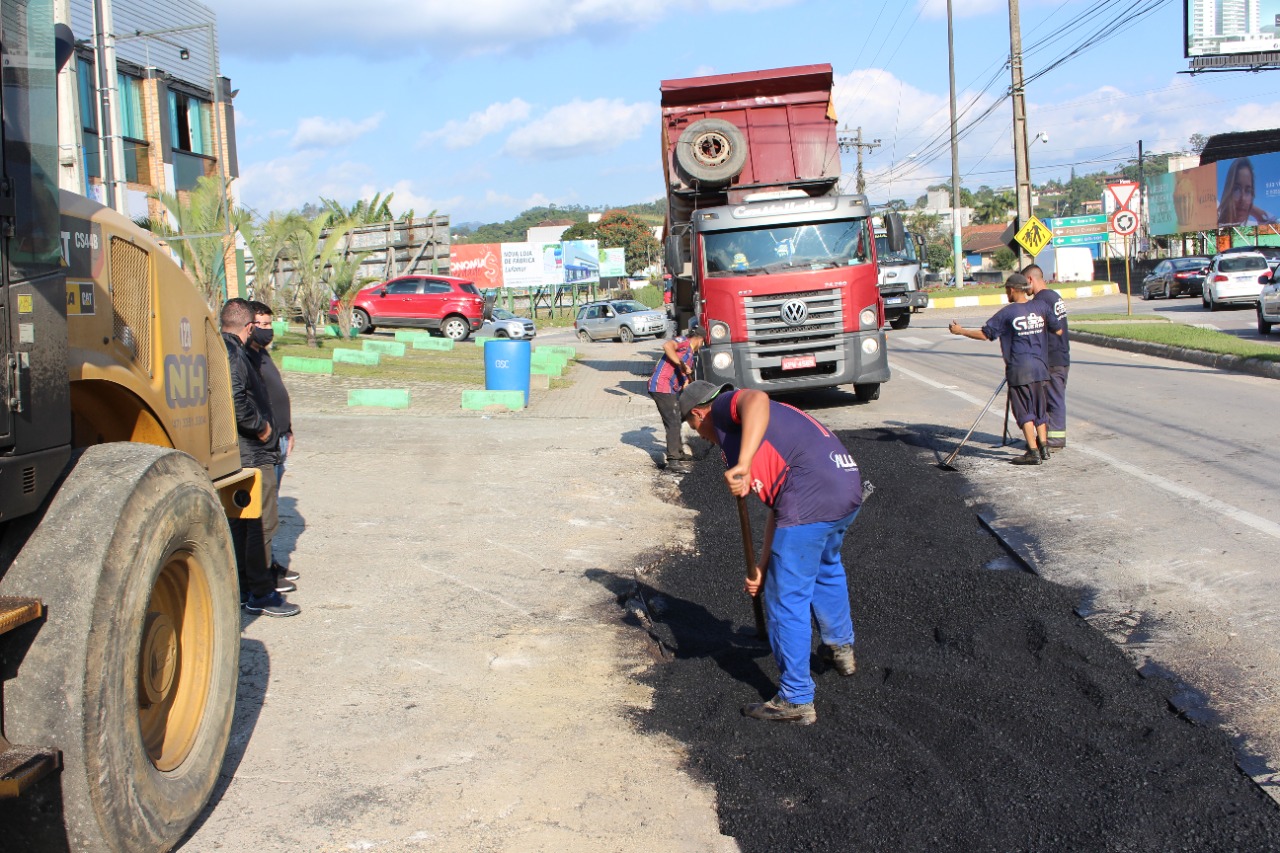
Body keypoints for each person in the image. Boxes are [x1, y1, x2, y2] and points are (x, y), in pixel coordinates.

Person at [679, 380, 863, 726]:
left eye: (692, 427)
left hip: (809, 493)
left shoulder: (724, 408)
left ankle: (795, 699)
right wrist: (762, 567)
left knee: (786, 599)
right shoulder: (758, 432)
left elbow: (757, 397)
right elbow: (779, 510)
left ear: (699, 412)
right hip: (843, 485)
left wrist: (744, 463)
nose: (699, 435)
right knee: (826, 566)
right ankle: (839, 647)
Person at [221, 298, 299, 618]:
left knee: (248, 525)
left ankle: (247, 586)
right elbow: (237, 400)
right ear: (249, 326)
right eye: (260, 325)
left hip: (251, 450)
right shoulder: (236, 355)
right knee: (257, 524)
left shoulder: (228, 351)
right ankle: (260, 592)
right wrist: (263, 427)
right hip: (252, 452)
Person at [947, 272, 1063, 466]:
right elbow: (1058, 330)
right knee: (1039, 408)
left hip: (1019, 368)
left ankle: (1032, 451)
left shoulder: (1008, 312)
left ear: (1011, 290)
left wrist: (961, 331)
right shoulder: (1041, 307)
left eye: (1006, 290)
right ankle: (1044, 448)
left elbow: (985, 334)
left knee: (1024, 410)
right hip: (1040, 367)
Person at [247, 301, 300, 589]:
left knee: (272, 507)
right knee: (262, 513)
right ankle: (260, 573)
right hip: (262, 442)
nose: (268, 330)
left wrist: (288, 430)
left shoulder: (263, 354)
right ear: (248, 326)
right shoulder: (245, 357)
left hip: (279, 438)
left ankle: (269, 562)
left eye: (270, 324)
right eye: (262, 325)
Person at [1024, 264, 1070, 449]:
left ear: (1030, 280)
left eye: (1024, 284)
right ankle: (1048, 437)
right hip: (1061, 356)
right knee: (1050, 398)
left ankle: (1055, 438)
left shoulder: (1041, 302)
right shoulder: (1054, 296)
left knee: (1053, 399)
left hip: (1051, 359)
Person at [648, 330, 704, 473]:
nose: (701, 345)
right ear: (699, 339)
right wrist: (681, 364)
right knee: (672, 421)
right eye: (702, 342)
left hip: (670, 388)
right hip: (661, 386)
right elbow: (667, 346)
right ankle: (673, 460)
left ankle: (678, 452)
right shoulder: (684, 342)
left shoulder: (690, 355)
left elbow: (684, 381)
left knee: (678, 417)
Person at [1218, 158, 1275, 227]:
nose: (1243, 198)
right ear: (1228, 191)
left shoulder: (1250, 226)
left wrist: (1253, 209)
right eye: (1236, 189)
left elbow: (1275, 223)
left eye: (1248, 191)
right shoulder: (1215, 223)